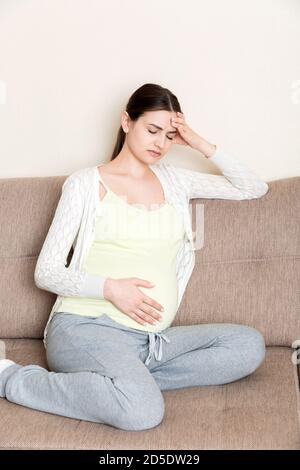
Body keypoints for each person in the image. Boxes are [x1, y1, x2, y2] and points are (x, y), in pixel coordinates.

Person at [0, 83, 269, 431]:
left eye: (169, 135)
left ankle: (125, 382)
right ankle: (11, 378)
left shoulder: (176, 182)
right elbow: (47, 272)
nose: (160, 143)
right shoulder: (85, 184)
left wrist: (200, 143)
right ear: (127, 122)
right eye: (152, 130)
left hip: (151, 343)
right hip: (86, 327)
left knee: (246, 344)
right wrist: (110, 288)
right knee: (142, 412)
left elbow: (253, 187)